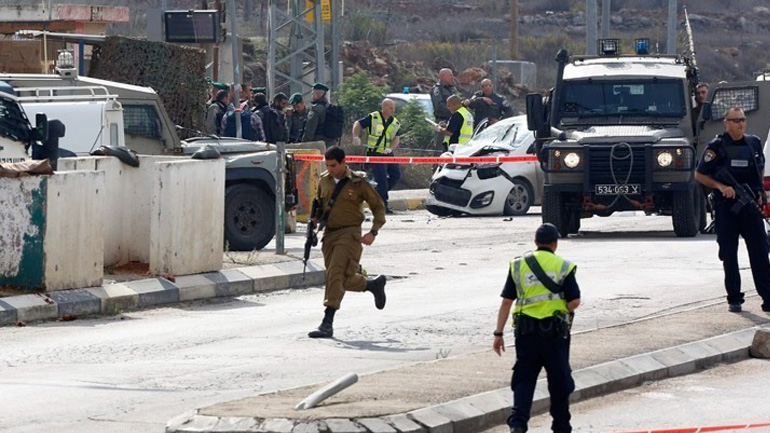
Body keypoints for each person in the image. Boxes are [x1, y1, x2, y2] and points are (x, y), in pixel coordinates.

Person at [493, 223, 581, 433]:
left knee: (524, 380)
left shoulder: (518, 265)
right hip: (554, 335)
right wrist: (561, 309)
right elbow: (575, 300)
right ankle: (561, 426)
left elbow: (506, 302)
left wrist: (498, 334)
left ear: (535, 243)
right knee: (559, 382)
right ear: (555, 244)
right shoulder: (563, 266)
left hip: (526, 334)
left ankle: (518, 425)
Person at [694, 107, 770, 313]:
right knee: (729, 252)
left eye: (743, 120)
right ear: (726, 122)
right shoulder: (717, 146)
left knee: (760, 251)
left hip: (750, 204)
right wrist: (721, 187)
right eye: (735, 120)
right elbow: (700, 175)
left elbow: (759, 168)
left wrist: (760, 194)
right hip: (727, 207)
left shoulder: (753, 142)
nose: (740, 124)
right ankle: (734, 298)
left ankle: (768, 296)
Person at [307, 146, 388, 339]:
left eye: (334, 165)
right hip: (330, 235)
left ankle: (327, 322)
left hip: (350, 233)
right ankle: (371, 285)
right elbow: (319, 206)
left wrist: (373, 232)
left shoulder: (358, 182)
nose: (330, 168)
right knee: (340, 279)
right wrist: (313, 223)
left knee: (334, 274)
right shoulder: (324, 180)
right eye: (327, 165)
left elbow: (378, 207)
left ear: (344, 163)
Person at [352, 98, 402, 213]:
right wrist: (355, 136)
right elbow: (358, 124)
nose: (393, 110)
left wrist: (390, 148)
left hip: (387, 153)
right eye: (390, 107)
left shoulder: (395, 122)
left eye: (393, 108)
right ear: (384, 107)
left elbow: (396, 139)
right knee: (382, 180)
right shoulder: (373, 117)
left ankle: (376, 193)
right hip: (375, 153)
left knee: (396, 175)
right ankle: (382, 206)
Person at [431, 68, 457, 149]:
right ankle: (437, 162)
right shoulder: (437, 89)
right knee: (440, 146)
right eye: (450, 75)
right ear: (442, 76)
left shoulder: (452, 88)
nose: (452, 77)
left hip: (452, 120)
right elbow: (439, 105)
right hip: (442, 121)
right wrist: (453, 109)